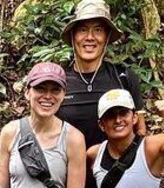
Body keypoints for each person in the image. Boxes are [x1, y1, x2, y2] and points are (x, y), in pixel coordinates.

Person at [57, 0, 146, 146]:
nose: (90, 37)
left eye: (98, 30)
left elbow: (140, 130)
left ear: (106, 37)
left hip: (113, 166)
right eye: (83, 30)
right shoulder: (59, 81)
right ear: (73, 36)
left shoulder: (123, 77)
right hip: (69, 166)